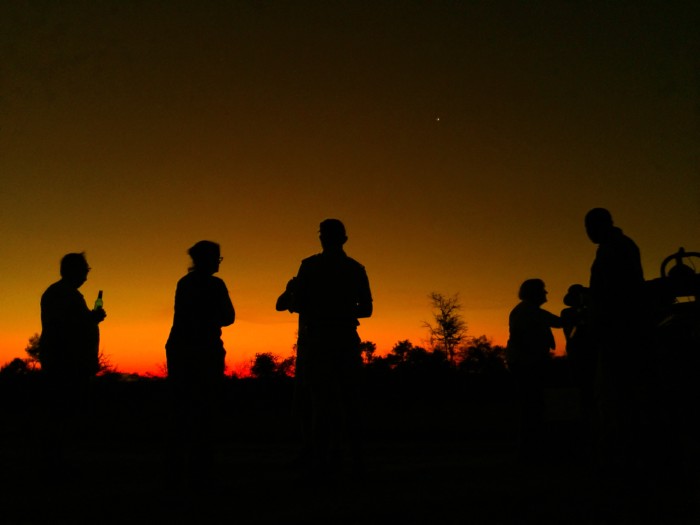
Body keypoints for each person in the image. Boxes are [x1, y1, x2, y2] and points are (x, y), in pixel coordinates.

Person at [277, 219, 373, 478]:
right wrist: (340, 311)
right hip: (342, 339)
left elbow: (294, 302)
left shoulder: (310, 266)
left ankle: (323, 459)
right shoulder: (354, 268)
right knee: (347, 400)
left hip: (320, 341)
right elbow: (366, 309)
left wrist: (319, 308)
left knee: (322, 402)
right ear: (344, 239)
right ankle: (352, 459)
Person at [584, 208, 653, 474]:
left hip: (619, 331)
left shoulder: (614, 248)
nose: (588, 233)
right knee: (620, 396)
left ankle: (622, 458)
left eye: (590, 226)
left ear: (601, 225)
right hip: (621, 329)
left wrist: (599, 320)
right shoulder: (616, 246)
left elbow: (612, 292)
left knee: (616, 396)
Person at [165, 240, 235, 483]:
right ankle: (200, 466)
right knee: (204, 407)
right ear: (206, 259)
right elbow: (229, 316)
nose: (218, 262)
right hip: (203, 350)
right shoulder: (215, 285)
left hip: (181, 349)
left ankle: (178, 464)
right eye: (216, 258)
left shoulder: (184, 284)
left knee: (182, 407)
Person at [39, 252, 107, 468]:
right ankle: (56, 461)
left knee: (62, 412)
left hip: (67, 362)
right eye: (84, 270)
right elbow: (67, 327)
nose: (86, 275)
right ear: (72, 271)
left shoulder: (66, 294)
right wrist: (92, 319)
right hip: (66, 363)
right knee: (62, 412)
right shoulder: (62, 294)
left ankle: (57, 459)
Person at [506, 278, 562, 461]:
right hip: (527, 365)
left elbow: (557, 321)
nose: (546, 294)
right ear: (534, 293)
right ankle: (530, 449)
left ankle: (531, 447)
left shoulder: (529, 311)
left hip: (527, 363)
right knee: (532, 405)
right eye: (543, 290)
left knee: (533, 405)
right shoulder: (527, 311)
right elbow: (520, 338)